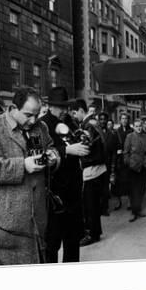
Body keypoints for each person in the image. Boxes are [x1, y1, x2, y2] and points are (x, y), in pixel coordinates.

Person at [0, 88, 59, 265]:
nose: (33, 121)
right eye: (28, 115)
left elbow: (51, 148)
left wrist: (53, 157)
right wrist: (23, 165)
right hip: (8, 227)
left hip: (38, 220)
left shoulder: (41, 127)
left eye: (37, 115)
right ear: (13, 108)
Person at [39, 87, 89, 263]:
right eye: (61, 107)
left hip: (73, 192)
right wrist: (67, 150)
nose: (65, 111)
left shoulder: (69, 121)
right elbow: (41, 153)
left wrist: (83, 137)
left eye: (66, 107)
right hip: (56, 194)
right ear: (51, 106)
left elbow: (78, 138)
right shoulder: (42, 124)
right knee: (52, 244)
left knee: (73, 240)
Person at [71, 99, 108, 246]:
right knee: (94, 204)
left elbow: (85, 151)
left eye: (75, 113)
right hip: (100, 169)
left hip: (91, 171)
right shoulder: (94, 123)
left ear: (81, 110)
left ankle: (92, 234)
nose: (74, 116)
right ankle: (96, 232)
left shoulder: (86, 126)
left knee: (89, 205)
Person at [123, 119, 146, 222]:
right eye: (136, 126)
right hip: (133, 167)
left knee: (141, 189)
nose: (139, 128)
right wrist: (129, 163)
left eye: (140, 126)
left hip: (143, 167)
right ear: (133, 127)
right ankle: (134, 212)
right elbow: (125, 152)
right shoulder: (129, 137)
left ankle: (138, 209)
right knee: (133, 190)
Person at [98, 112, 118, 216]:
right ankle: (98, 207)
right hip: (97, 164)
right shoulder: (95, 133)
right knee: (98, 187)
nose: (102, 121)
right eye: (100, 119)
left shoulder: (112, 135)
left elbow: (114, 152)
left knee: (105, 187)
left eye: (104, 119)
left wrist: (113, 167)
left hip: (107, 164)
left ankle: (104, 208)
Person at [113, 112, 133, 210]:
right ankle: (118, 201)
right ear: (120, 120)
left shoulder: (131, 131)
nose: (124, 120)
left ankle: (130, 201)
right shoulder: (116, 132)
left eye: (126, 118)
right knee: (118, 181)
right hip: (119, 159)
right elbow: (114, 144)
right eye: (122, 118)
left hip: (129, 158)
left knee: (130, 180)